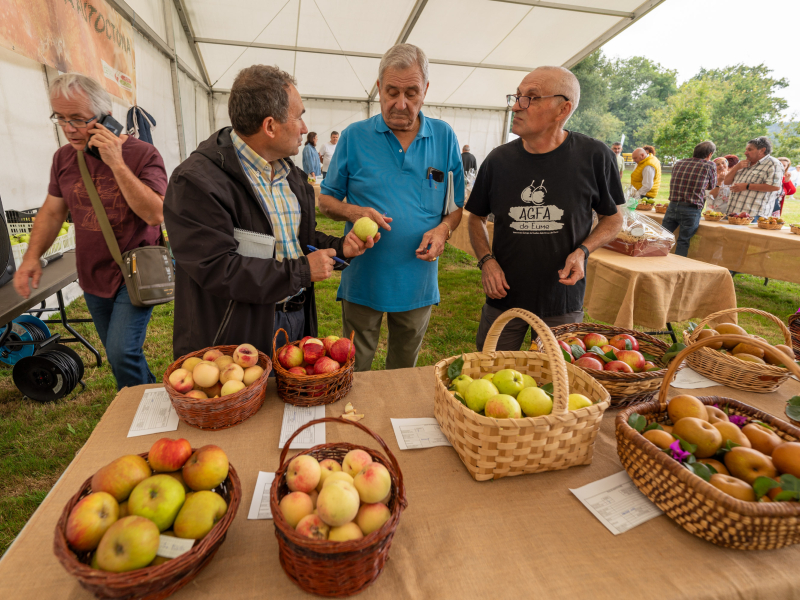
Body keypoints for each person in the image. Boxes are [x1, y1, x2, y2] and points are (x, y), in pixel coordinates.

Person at [163, 65, 376, 359]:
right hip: (236, 338)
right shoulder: (196, 181)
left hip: (295, 322)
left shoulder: (291, 174)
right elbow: (217, 267)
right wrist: (302, 271)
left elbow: (295, 238)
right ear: (270, 126)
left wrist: (341, 247)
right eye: (299, 116)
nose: (304, 128)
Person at [13, 73, 167, 390]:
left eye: (79, 120)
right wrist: (31, 257)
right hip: (93, 273)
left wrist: (116, 164)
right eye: (61, 118)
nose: (69, 128)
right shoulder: (64, 159)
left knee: (122, 351)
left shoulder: (143, 155)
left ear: (104, 118)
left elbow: (155, 213)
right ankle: (149, 398)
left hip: (135, 272)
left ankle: (138, 414)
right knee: (119, 354)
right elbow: (53, 212)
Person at [318, 44, 465, 371]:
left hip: (418, 282)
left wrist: (443, 230)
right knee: (354, 369)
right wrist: (355, 213)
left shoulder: (444, 137)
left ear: (425, 90)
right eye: (392, 91)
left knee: (403, 369)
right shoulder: (355, 137)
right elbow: (326, 201)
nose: (401, 103)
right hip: (363, 280)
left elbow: (455, 208)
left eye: (412, 93)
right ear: (378, 87)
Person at [467, 66, 624, 351]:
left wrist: (582, 252)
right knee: (490, 376)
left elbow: (613, 219)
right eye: (516, 96)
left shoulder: (594, 157)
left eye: (531, 97)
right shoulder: (498, 161)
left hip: (561, 299)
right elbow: (475, 217)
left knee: (556, 383)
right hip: (504, 298)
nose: (517, 106)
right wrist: (486, 261)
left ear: (562, 109)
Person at [661, 141, 717, 256]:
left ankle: (652, 261)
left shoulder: (679, 162)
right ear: (710, 154)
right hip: (691, 209)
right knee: (683, 241)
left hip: (673, 205)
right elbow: (712, 186)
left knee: (662, 237)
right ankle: (677, 268)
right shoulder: (709, 165)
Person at [723, 137, 783, 221]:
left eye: (749, 150)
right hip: (733, 213)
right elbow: (726, 182)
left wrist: (747, 186)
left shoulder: (773, 164)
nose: (745, 153)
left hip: (754, 215)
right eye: (746, 149)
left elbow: (775, 187)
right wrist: (735, 168)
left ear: (762, 150)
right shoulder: (744, 163)